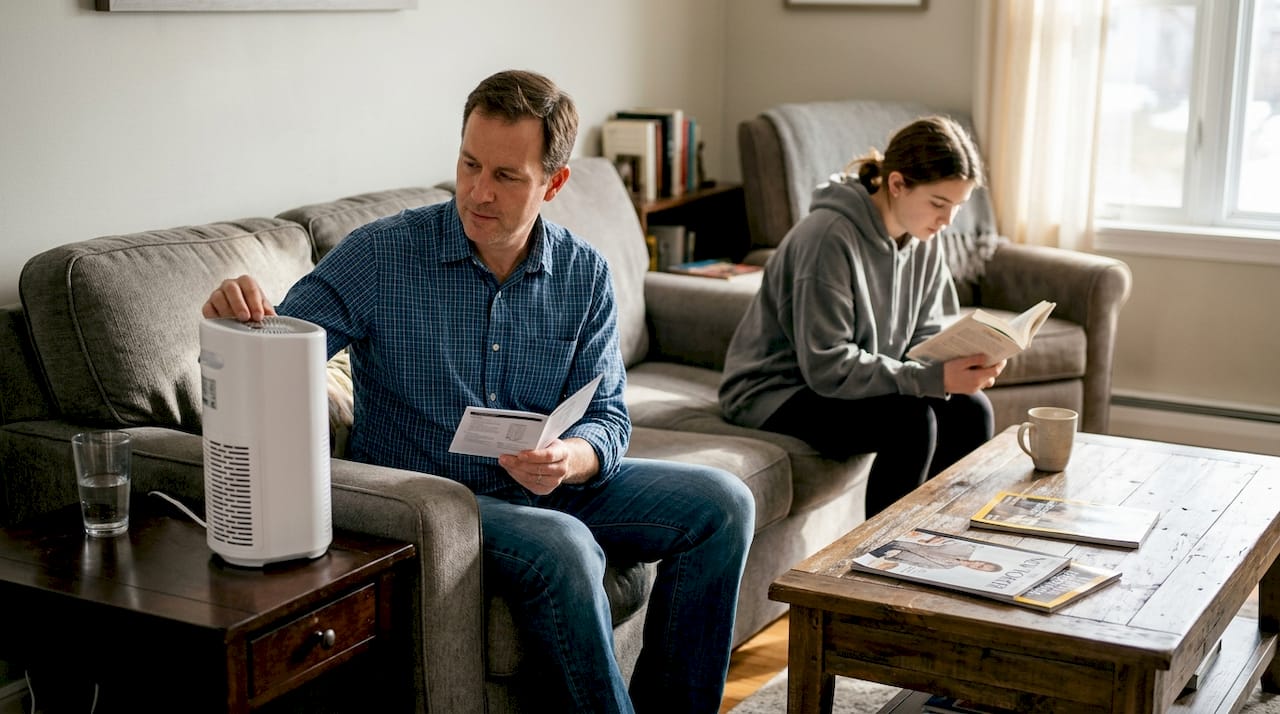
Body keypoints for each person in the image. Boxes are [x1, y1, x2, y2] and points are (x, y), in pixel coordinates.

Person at [202, 69, 754, 714]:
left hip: (542, 485)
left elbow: (605, 414)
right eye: (469, 164)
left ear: (554, 183)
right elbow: (276, 354)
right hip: (429, 499)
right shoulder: (383, 255)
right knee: (565, 544)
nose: (477, 192)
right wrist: (229, 320)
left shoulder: (584, 274)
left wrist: (572, 459)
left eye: (506, 176)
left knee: (723, 503)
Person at [719, 116, 1002, 518]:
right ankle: (883, 563)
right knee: (910, 421)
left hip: (844, 379)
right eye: (939, 203)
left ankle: (945, 540)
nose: (947, 221)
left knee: (972, 410)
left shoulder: (922, 237)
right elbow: (826, 364)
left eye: (956, 207)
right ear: (897, 184)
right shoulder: (827, 237)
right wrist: (929, 379)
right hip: (779, 389)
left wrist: (962, 361)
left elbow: (925, 334)